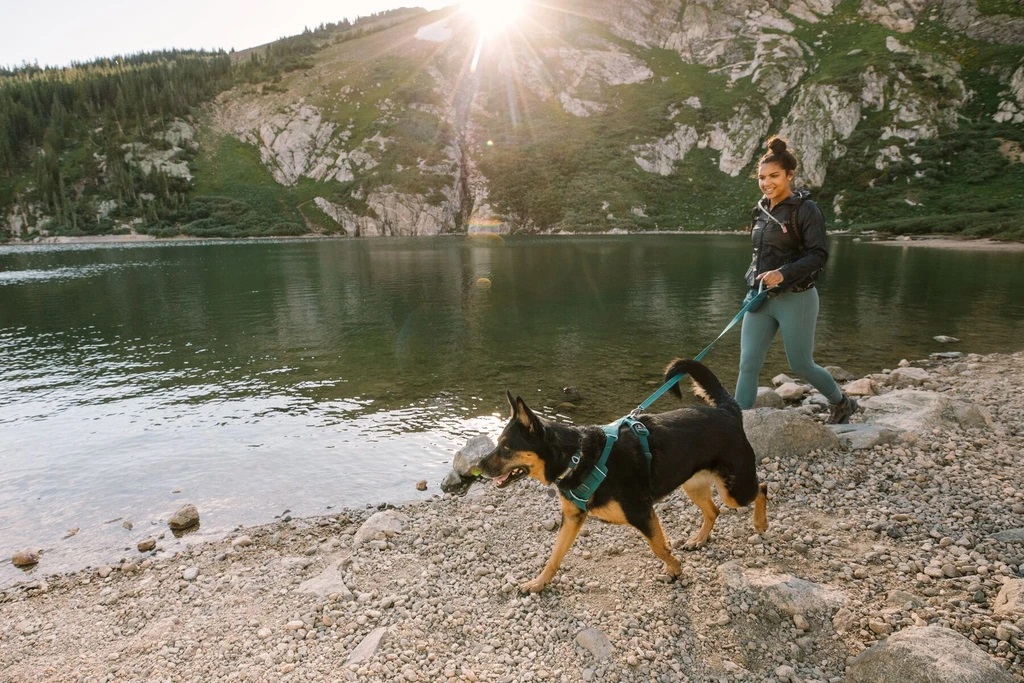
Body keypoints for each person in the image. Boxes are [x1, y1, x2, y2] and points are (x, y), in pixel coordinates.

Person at [734, 136, 858, 424]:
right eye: (762, 177)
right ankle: (737, 425)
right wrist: (753, 280)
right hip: (761, 298)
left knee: (800, 364)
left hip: (797, 298)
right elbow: (759, 254)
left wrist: (783, 274)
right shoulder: (760, 210)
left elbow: (818, 255)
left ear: (790, 175)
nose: (767, 183)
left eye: (774, 176)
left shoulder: (806, 209)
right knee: (748, 364)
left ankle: (841, 402)